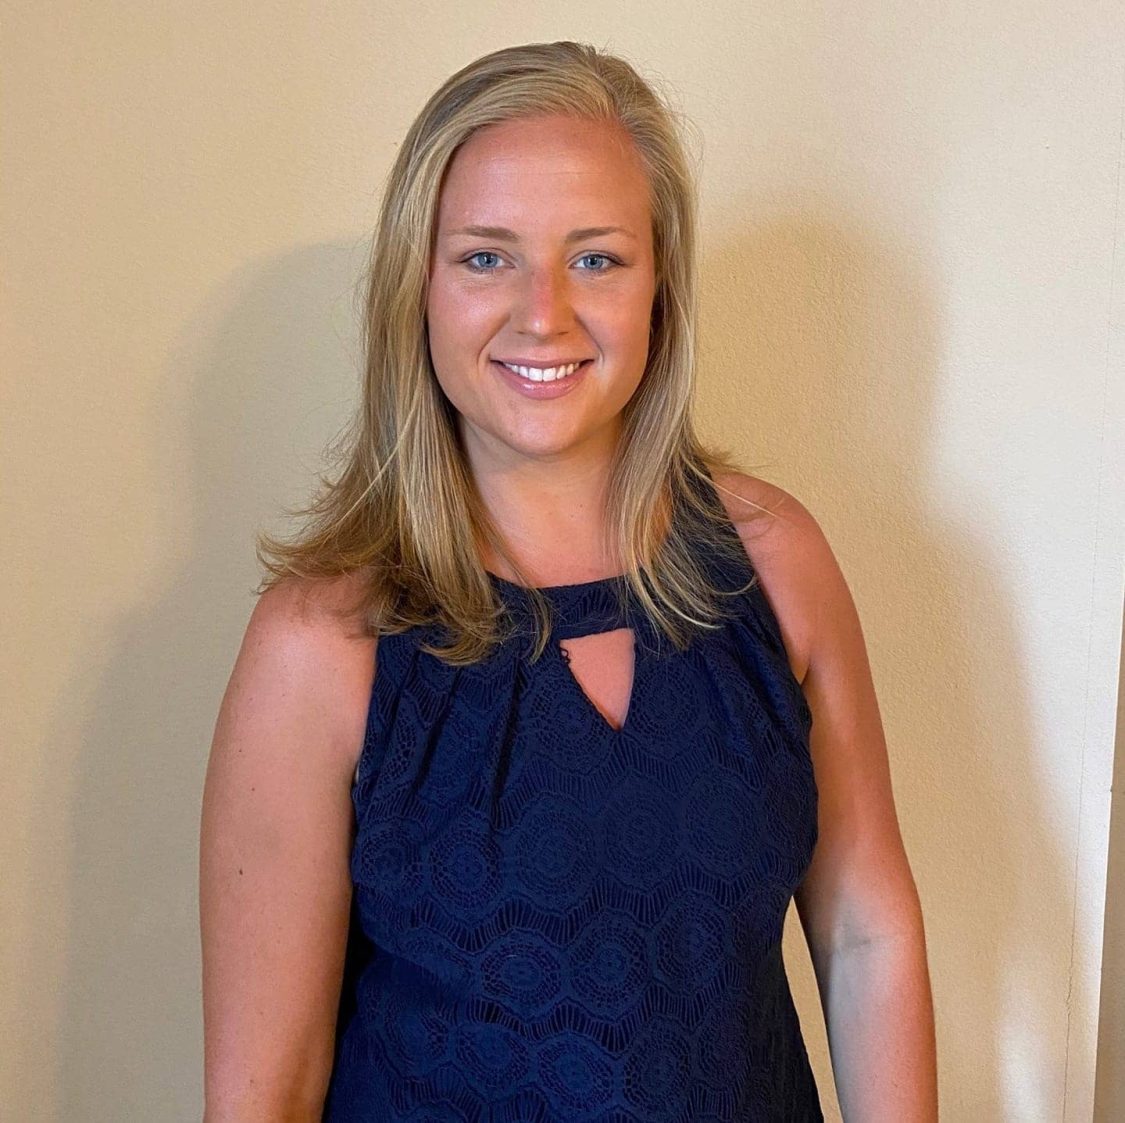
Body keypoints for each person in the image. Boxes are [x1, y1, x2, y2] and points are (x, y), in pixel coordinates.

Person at [199, 40, 937, 1122]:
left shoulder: (777, 564)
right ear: (419, 286)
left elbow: (868, 927)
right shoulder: (324, 642)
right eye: (486, 257)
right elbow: (267, 1090)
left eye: (596, 258)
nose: (542, 313)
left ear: (660, 289)